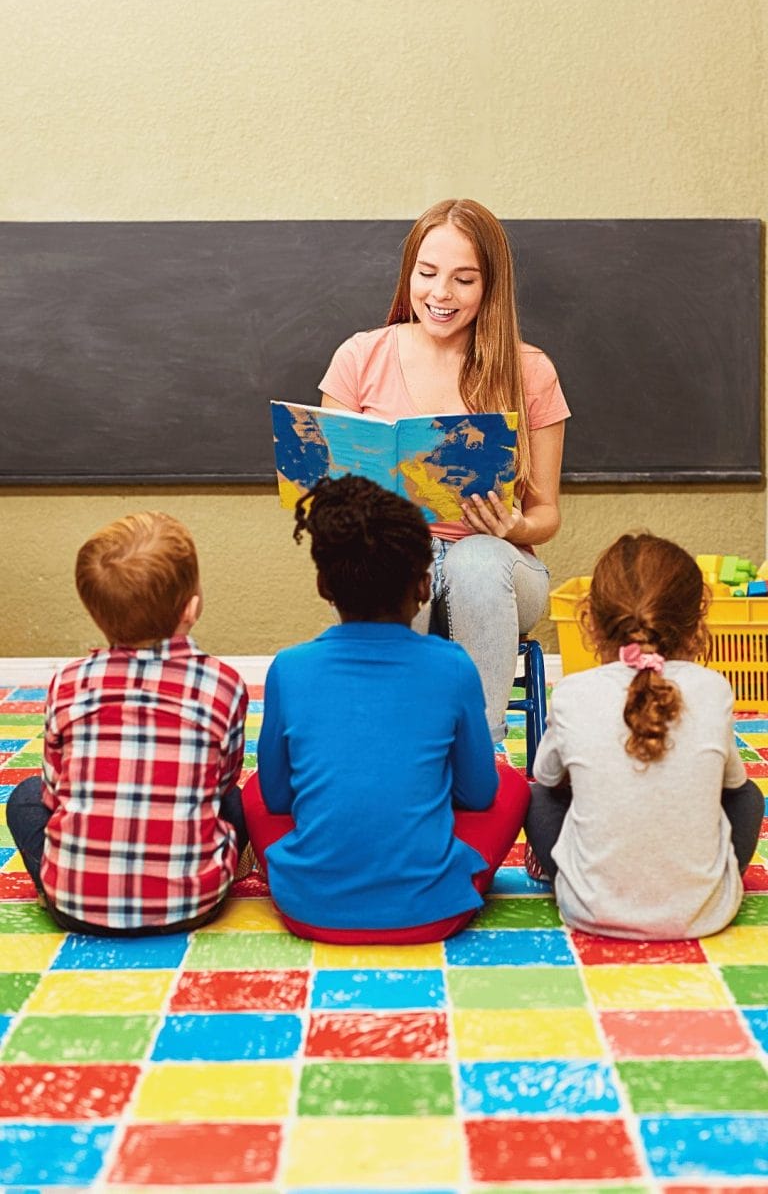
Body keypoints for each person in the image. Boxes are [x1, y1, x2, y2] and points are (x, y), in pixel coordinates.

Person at [319, 198, 569, 744]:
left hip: (499, 569)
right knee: (397, 560)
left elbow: (546, 513)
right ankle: (396, 748)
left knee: (475, 560)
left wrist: (515, 527)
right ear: (409, 272)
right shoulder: (360, 357)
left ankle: (479, 750)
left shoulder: (530, 370)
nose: (441, 293)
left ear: (491, 285)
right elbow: (328, 493)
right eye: (427, 273)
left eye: (464, 279)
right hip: (397, 562)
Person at [242, 474, 530, 943]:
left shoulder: (288, 668)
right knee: (513, 785)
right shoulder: (453, 666)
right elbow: (478, 795)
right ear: (424, 586)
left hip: (309, 908)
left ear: (323, 585)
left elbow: (275, 798)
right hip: (431, 911)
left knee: (253, 788)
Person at [6, 512, 251, 936]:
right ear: (192, 608)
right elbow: (222, 781)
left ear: (95, 613)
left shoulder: (67, 683)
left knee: (24, 798)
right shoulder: (223, 685)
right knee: (236, 799)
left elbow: (53, 791)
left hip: (76, 907)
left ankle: (60, 884)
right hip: (192, 905)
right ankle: (214, 867)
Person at [525, 533, 765, 939]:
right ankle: (705, 885)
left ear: (590, 622)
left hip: (588, 909)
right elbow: (733, 787)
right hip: (704, 915)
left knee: (536, 796)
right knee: (749, 796)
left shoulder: (571, 692)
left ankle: (565, 873)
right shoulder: (713, 688)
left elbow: (545, 778)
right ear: (697, 625)